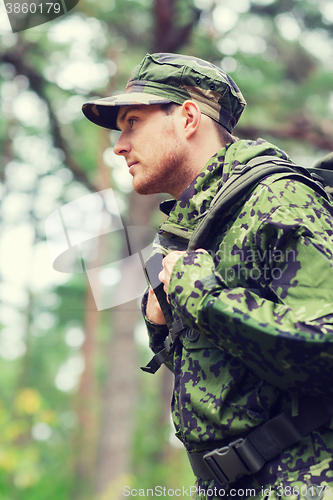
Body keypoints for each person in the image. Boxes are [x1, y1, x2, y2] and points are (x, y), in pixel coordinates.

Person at [82, 53, 333, 500]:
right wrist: (164, 329)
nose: (118, 145)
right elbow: (242, 381)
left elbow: (326, 347)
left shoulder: (278, 199)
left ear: (189, 117)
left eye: (132, 122)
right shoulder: (201, 225)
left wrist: (199, 294)